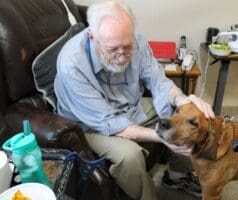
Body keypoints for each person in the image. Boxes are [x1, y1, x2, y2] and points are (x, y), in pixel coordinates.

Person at [54, 1, 215, 199]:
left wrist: (183, 101)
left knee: (179, 116)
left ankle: (177, 175)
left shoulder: (137, 40)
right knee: (129, 157)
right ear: (92, 37)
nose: (122, 58)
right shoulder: (72, 64)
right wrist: (165, 136)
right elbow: (110, 123)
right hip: (91, 123)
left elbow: (159, 83)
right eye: (113, 50)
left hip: (128, 106)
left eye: (127, 47)